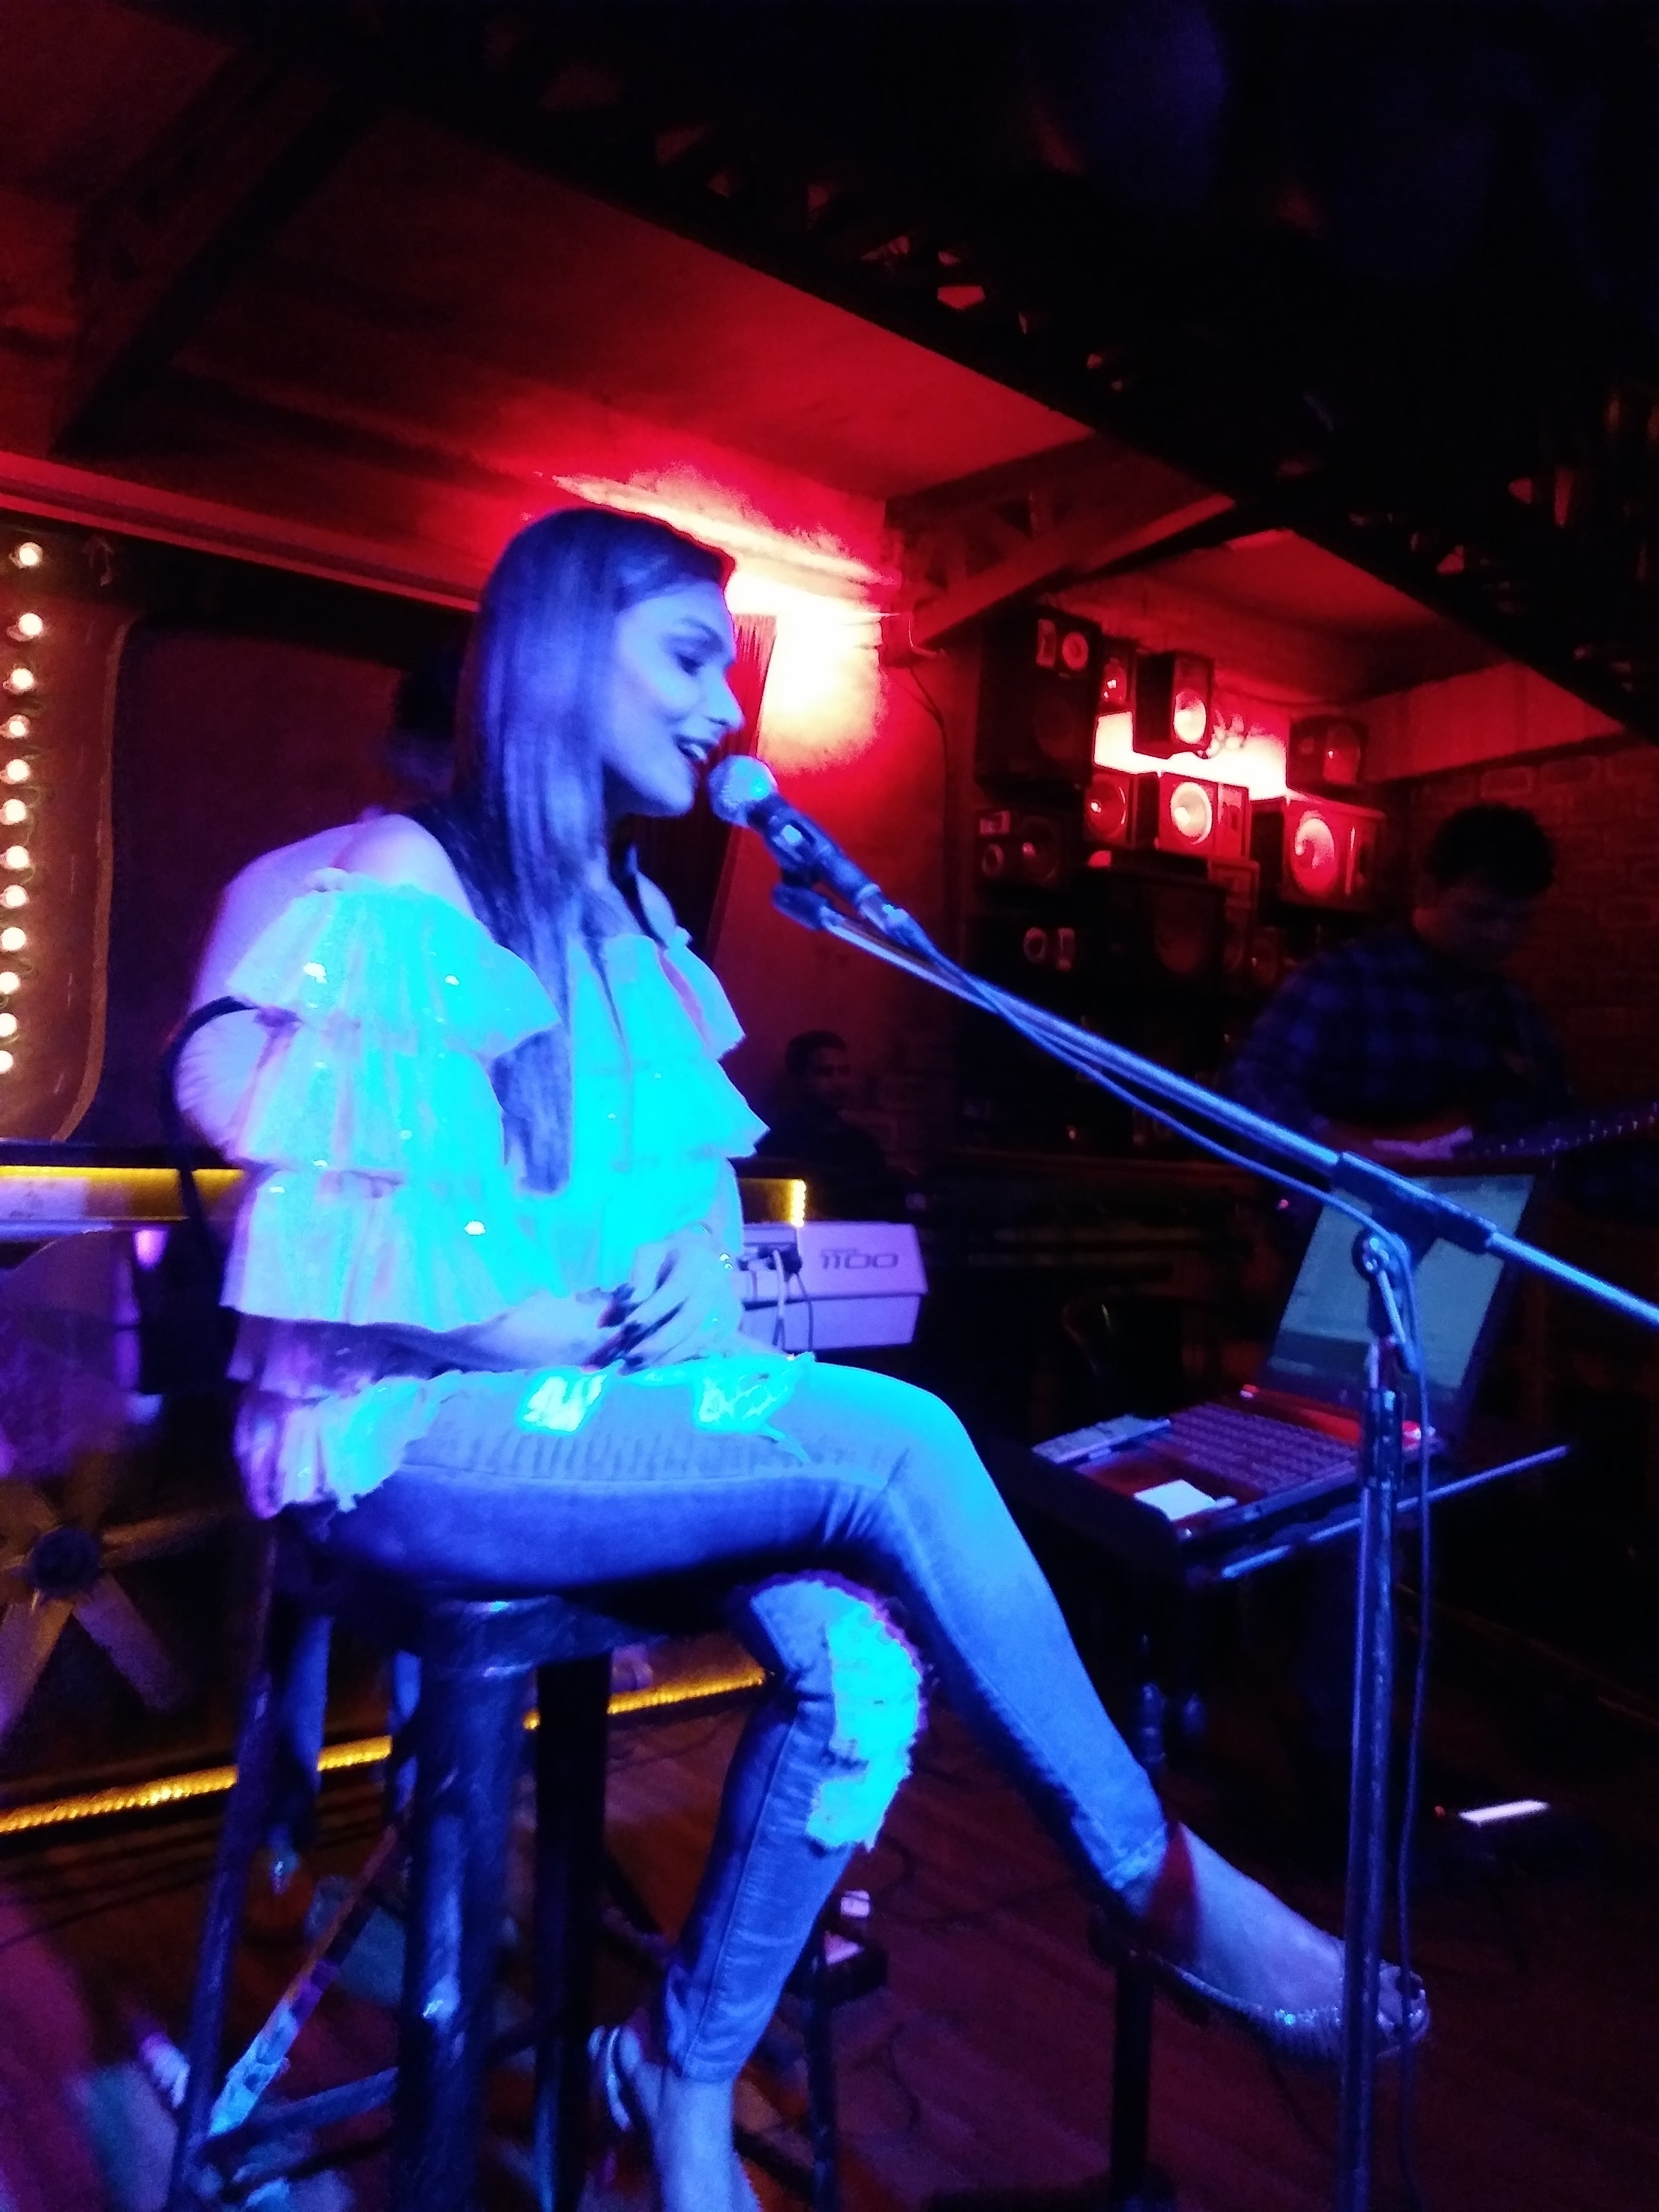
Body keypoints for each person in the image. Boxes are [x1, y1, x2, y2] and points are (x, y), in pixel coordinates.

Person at [185, 507, 1420, 2212]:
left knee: (859, 1670)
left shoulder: (628, 915)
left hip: (588, 1408)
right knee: (896, 1436)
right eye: (691, 658)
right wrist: (558, 1321)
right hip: (412, 1433)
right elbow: (363, 1246)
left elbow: (682, 1223)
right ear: (562, 654)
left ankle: (681, 2066)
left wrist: (680, 1283)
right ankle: (1162, 1890)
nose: (725, 708)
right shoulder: (404, 879)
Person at [1230, 801, 1566, 1160]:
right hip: (1345, 1195)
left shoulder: (1517, 1013)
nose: (1501, 934)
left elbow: (1556, 1125)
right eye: (1480, 914)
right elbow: (1251, 1086)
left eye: (1520, 920)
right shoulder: (1341, 983)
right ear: (1426, 891)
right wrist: (1346, 1156)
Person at [753, 1028, 906, 1218]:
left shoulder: (863, 1146)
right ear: (799, 1080)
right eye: (825, 1073)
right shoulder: (778, 1144)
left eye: (844, 1071)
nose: (838, 1082)